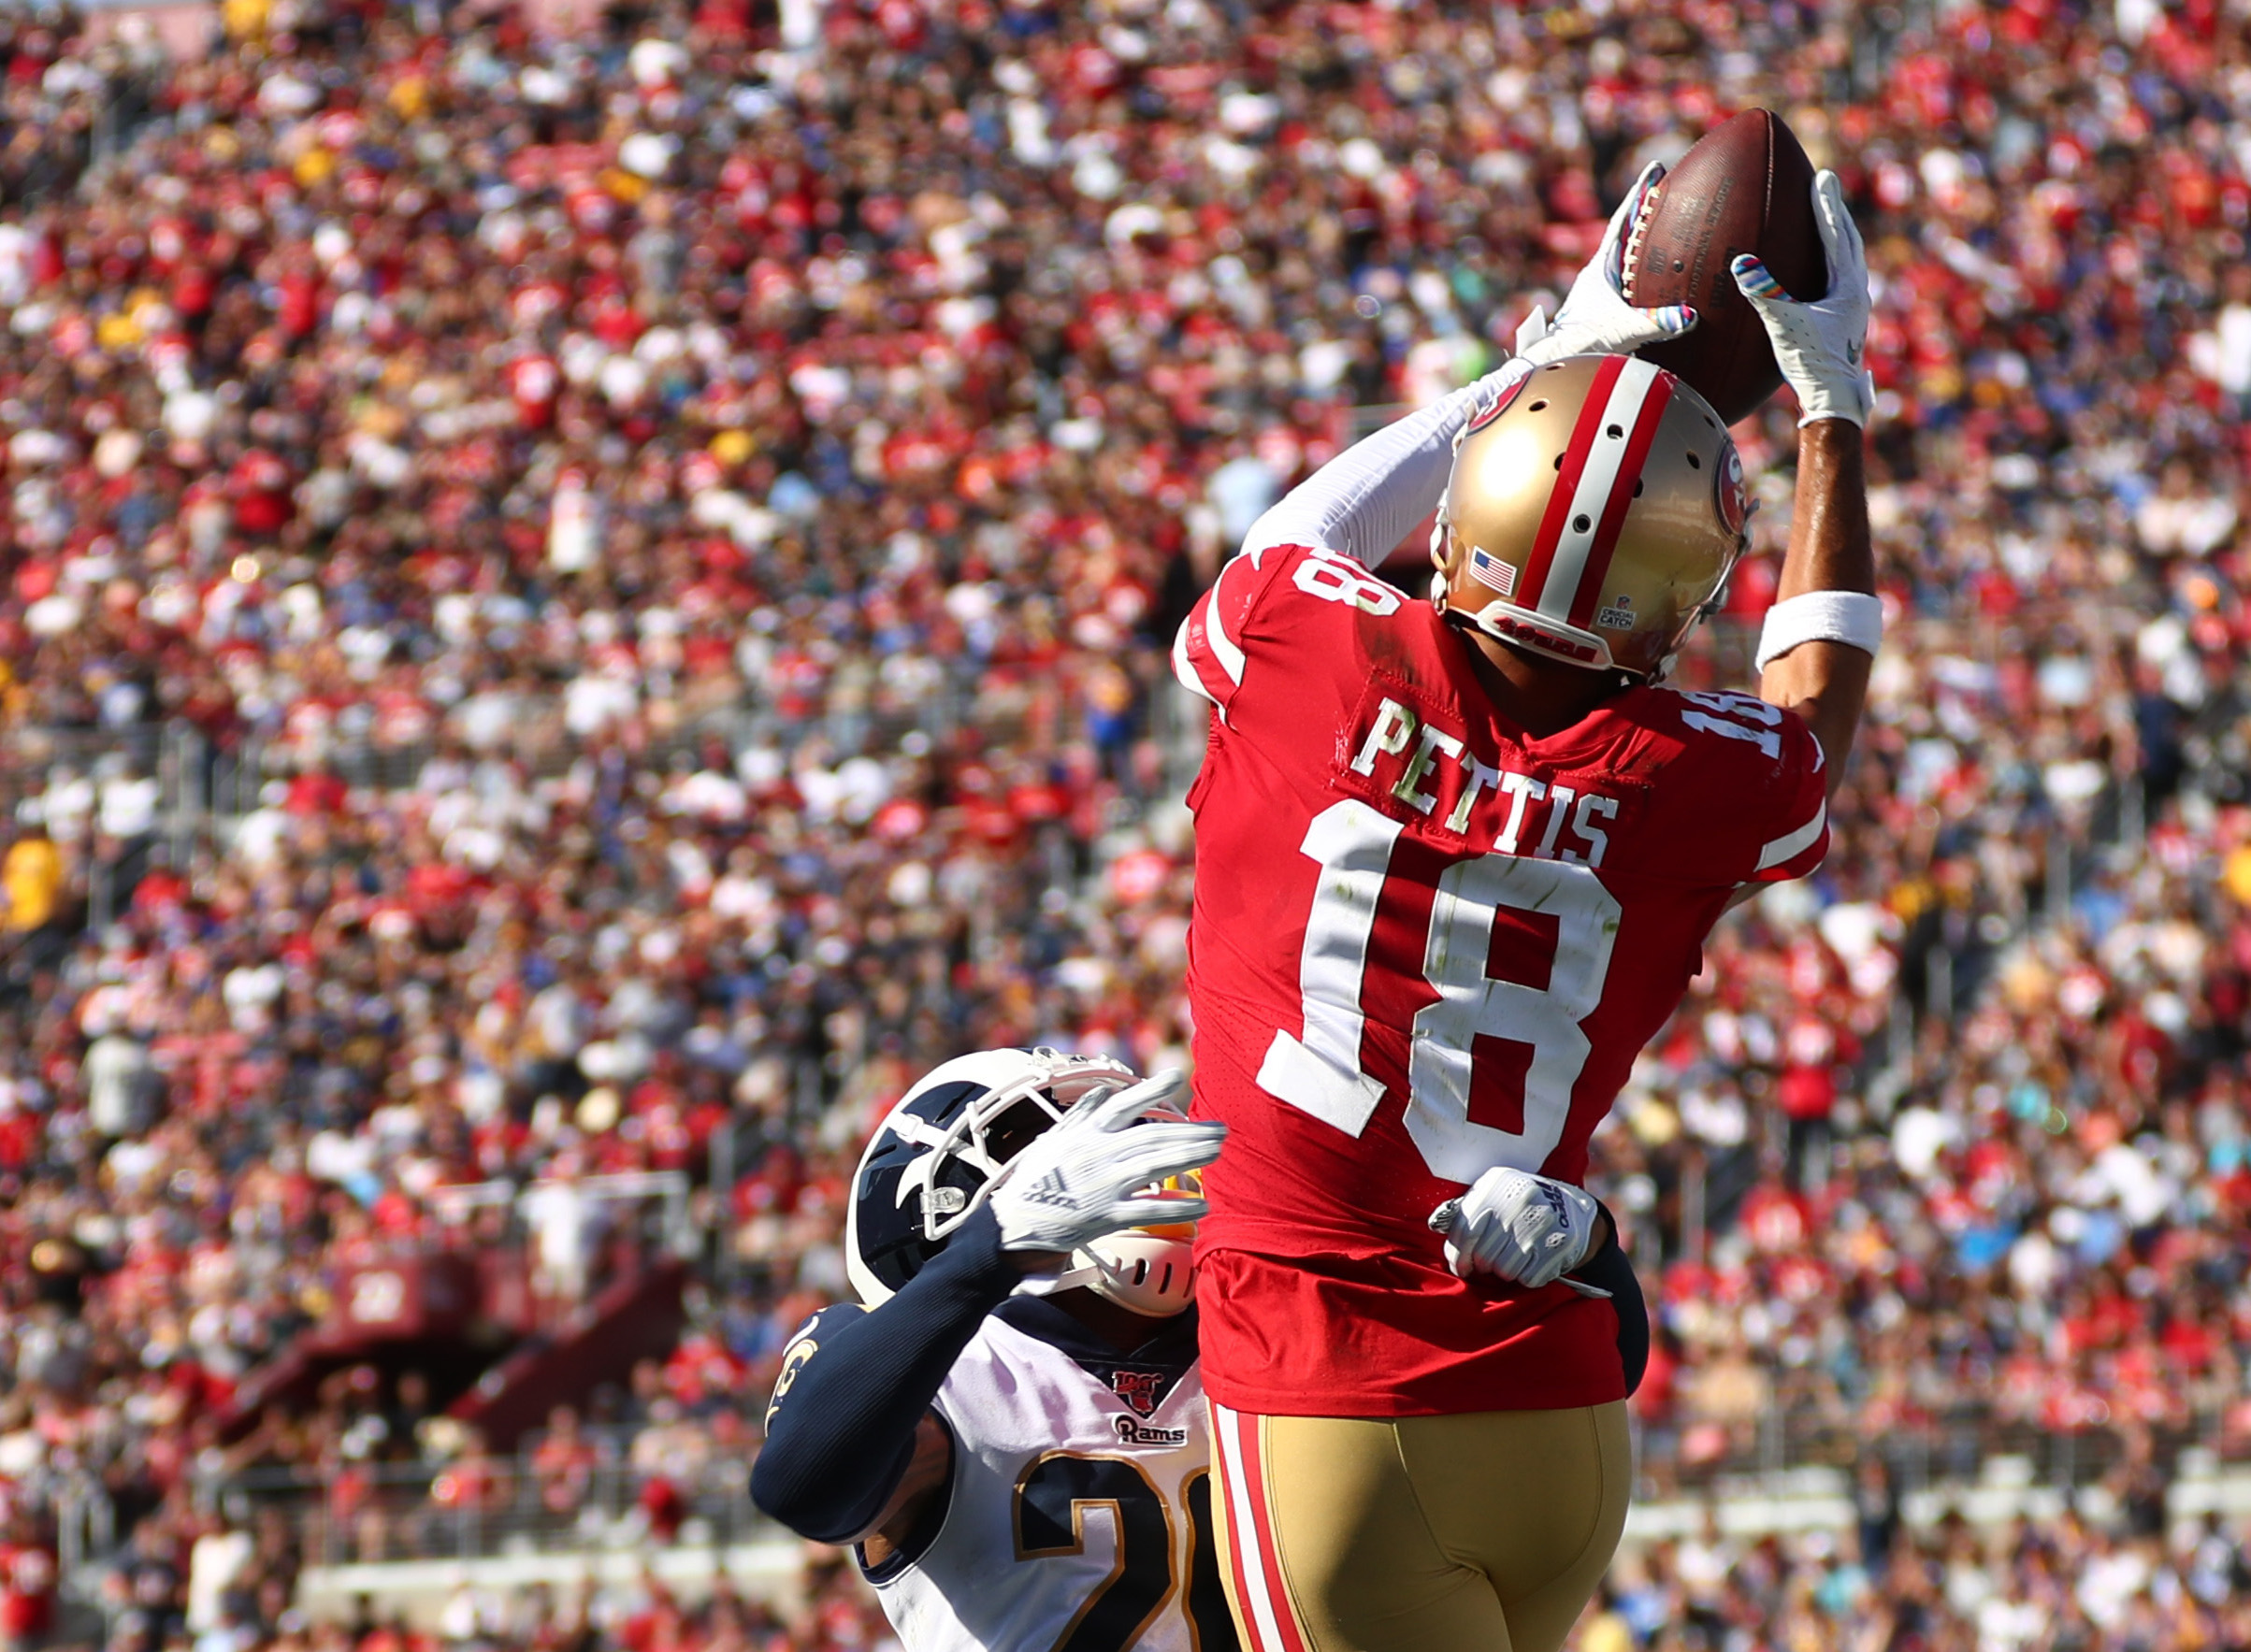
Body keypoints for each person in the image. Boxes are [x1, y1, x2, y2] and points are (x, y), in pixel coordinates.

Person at [1169, 163, 1879, 1652]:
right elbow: (1811, 709)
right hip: (1557, 1402)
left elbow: (1295, 533)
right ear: (1683, 599)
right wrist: (1832, 416)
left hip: (1330, 1393)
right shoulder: (1691, 773)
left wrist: (1547, 358)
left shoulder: (1307, 648)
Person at [751, 1048, 1233, 1652]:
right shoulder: (934, 1368)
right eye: (1042, 1145)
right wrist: (989, 1251)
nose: (1102, 1166)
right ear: (934, 1197)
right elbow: (803, 1490)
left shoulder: (1243, 1345)